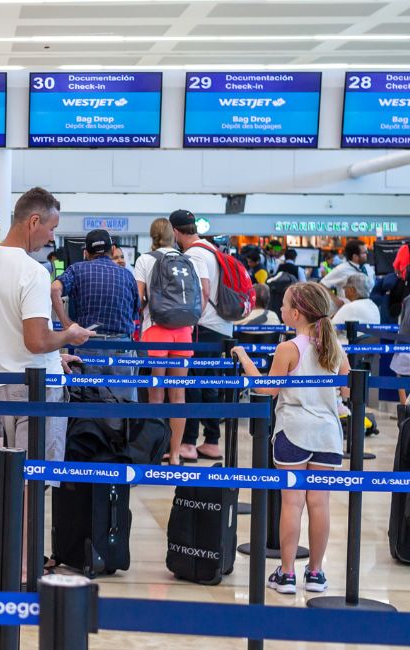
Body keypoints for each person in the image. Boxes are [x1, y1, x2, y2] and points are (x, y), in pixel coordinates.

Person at [0, 187, 93, 577]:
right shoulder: (33, 271)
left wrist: (55, 354)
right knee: (34, 480)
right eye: (51, 228)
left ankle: (13, 555)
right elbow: (36, 340)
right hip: (37, 390)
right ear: (34, 221)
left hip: (3, 385)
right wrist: (68, 336)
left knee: (12, 476)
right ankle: (26, 565)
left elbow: (14, 334)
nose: (52, 237)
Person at [231, 282, 349, 595]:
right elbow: (348, 388)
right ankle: (316, 573)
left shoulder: (288, 349)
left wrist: (244, 359)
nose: (280, 309)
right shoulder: (335, 347)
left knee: (292, 504)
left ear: (295, 314)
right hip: (328, 434)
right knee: (319, 503)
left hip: (293, 431)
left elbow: (267, 390)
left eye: (284, 305)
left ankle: (286, 574)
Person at [134, 218, 207, 464]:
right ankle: (175, 455)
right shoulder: (188, 260)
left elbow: (139, 299)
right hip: (183, 331)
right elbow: (198, 299)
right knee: (178, 394)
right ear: (173, 235)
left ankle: (155, 454)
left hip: (156, 329)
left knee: (156, 394)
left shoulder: (145, 260)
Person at [50, 228, 141, 401]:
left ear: (86, 252)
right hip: (121, 346)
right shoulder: (127, 275)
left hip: (88, 343)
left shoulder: (76, 270)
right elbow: (136, 310)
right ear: (112, 249)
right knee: (124, 405)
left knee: (88, 403)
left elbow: (55, 289)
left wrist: (66, 324)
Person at [170, 209, 232, 461]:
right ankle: (212, 442)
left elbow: (203, 291)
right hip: (221, 326)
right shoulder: (212, 249)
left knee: (192, 384)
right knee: (210, 384)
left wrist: (190, 320)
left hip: (203, 326)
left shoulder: (194, 254)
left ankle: (188, 443)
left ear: (175, 231)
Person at [321, 239, 375, 307]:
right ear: (355, 256)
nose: (367, 254)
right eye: (364, 253)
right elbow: (322, 285)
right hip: (349, 308)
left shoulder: (367, 268)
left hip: (367, 306)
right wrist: (337, 301)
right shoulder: (342, 269)